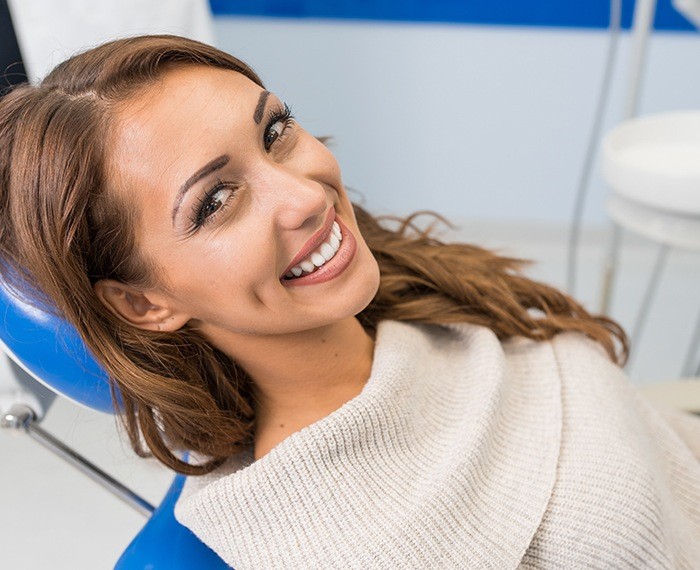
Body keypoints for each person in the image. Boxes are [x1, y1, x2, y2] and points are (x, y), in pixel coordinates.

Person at [0, 35, 698, 569]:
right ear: (144, 302)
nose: (307, 195)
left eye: (275, 132)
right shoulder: (329, 539)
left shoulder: (422, 293)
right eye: (216, 202)